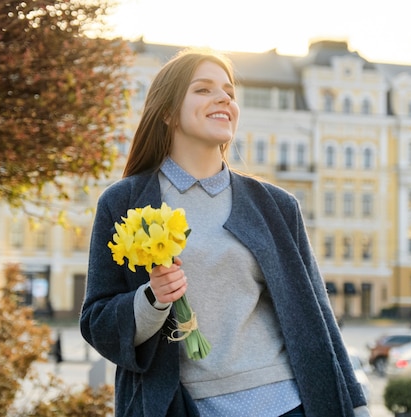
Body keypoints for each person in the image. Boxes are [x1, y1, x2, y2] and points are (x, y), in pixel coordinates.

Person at [80, 48, 371, 417]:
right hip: (182, 406)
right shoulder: (123, 203)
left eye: (229, 93)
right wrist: (151, 299)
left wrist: (356, 407)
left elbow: (318, 318)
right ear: (167, 113)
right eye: (203, 90)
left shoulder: (277, 206)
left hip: (287, 403)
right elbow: (97, 322)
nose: (223, 99)